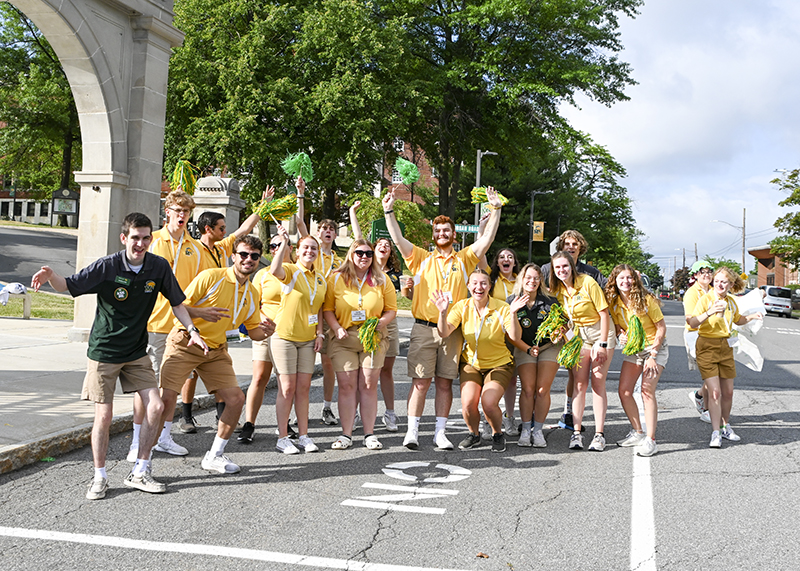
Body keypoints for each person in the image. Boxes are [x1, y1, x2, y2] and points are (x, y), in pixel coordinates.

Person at [31, 212, 208, 499]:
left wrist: (192, 330)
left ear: (151, 239)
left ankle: (140, 470)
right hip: (104, 351)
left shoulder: (158, 267)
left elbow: (177, 303)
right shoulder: (107, 266)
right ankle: (99, 476)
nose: (140, 243)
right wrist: (51, 276)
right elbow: (69, 286)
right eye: (135, 238)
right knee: (104, 415)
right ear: (124, 238)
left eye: (145, 238)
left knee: (156, 407)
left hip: (136, 351)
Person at [382, 186, 505, 450]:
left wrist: (496, 210)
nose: (441, 234)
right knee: (420, 382)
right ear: (433, 234)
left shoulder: (463, 259)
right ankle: (412, 432)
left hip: (452, 330)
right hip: (424, 328)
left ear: (453, 234)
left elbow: (487, 241)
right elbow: (398, 238)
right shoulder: (421, 258)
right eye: (437, 231)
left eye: (446, 230)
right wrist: (388, 210)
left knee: (444, 383)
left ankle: (440, 432)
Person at [158, 235, 273, 474]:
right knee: (167, 396)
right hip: (186, 341)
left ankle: (214, 455)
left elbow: (253, 332)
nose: (248, 260)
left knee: (235, 399)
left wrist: (267, 331)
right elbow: (178, 305)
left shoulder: (251, 293)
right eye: (243, 254)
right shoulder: (211, 276)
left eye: (254, 256)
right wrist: (202, 313)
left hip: (216, 350)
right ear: (233, 256)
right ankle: (161, 439)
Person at [177, 185, 274, 434]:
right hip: (194, 315)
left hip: (221, 321)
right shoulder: (191, 248)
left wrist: (262, 207)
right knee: (190, 374)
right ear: (208, 229)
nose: (225, 231)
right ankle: (186, 416)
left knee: (220, 371)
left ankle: (223, 416)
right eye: (221, 228)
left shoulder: (223, 248)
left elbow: (244, 230)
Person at [432, 269, 525, 452]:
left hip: (499, 363)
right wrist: (442, 313)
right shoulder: (462, 306)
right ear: (468, 286)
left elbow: (515, 336)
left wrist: (513, 313)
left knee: (489, 403)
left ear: (489, 286)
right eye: (474, 283)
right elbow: (444, 332)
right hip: (471, 364)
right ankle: (474, 434)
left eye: (483, 283)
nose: (479, 287)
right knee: (467, 404)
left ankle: (498, 433)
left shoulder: (502, 307)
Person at [323, 239, 398, 450]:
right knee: (347, 386)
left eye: (368, 253)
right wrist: (336, 327)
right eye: (359, 253)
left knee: (368, 385)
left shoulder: (382, 279)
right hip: (344, 338)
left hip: (372, 338)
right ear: (351, 254)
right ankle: (346, 434)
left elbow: (391, 309)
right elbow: (327, 309)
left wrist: (380, 323)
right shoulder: (336, 278)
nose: (364, 257)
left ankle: (369, 433)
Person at [687, 267, 762, 448]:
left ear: (731, 284)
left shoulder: (731, 302)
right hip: (706, 347)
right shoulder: (706, 300)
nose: (720, 284)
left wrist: (752, 316)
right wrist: (710, 312)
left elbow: (737, 319)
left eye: (725, 281)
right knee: (715, 392)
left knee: (728, 392)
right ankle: (715, 433)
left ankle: (724, 426)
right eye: (718, 281)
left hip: (726, 347)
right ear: (714, 282)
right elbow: (692, 322)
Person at [541, 230, 607, 432]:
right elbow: (540, 295)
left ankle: (569, 411)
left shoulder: (590, 274)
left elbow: (607, 295)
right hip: (557, 328)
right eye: (567, 244)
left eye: (575, 244)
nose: (571, 247)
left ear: (581, 247)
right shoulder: (548, 268)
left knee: (575, 374)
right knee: (544, 375)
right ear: (561, 247)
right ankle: (535, 415)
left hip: (582, 332)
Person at [269, 225, 327, 454]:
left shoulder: (321, 278)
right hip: (284, 336)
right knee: (287, 387)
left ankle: (303, 435)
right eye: (305, 247)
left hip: (308, 339)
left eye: (313, 248)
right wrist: (284, 242)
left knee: (304, 388)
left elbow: (321, 307)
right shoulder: (290, 270)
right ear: (298, 250)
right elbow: (274, 271)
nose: (309, 251)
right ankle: (283, 437)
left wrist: (320, 333)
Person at [549, 251, 615, 451]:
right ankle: (576, 434)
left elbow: (604, 313)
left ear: (572, 266)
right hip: (579, 336)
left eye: (565, 266)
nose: (562, 270)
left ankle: (599, 435)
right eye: (557, 267)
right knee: (579, 384)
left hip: (599, 332)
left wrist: (602, 344)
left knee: (597, 382)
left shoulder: (587, 282)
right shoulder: (557, 290)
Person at [349, 201, 404, 431]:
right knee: (362, 374)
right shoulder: (366, 266)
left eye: (387, 245)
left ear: (390, 252)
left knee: (385, 372)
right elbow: (358, 238)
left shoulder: (393, 274)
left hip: (387, 325)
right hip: (363, 325)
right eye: (380, 243)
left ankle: (390, 413)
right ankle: (353, 413)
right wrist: (352, 212)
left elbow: (399, 300)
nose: (383, 246)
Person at [238, 231, 296, 444]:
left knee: (285, 381)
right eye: (271, 246)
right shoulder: (262, 274)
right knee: (260, 377)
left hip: (290, 333)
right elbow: (253, 302)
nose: (275, 249)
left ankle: (284, 422)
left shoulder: (298, 271)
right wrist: (262, 319)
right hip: (264, 330)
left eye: (280, 245)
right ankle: (249, 423)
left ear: (290, 247)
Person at [605, 265, 667, 457]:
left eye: (629, 278)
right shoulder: (614, 303)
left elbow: (661, 328)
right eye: (621, 278)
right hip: (634, 349)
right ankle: (638, 432)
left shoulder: (646, 300)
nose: (626, 282)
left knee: (647, 391)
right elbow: (618, 326)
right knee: (624, 391)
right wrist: (620, 335)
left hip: (653, 349)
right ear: (615, 281)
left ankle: (651, 439)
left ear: (635, 280)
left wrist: (653, 355)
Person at [296, 179, 340, 426]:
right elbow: (301, 223)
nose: (327, 231)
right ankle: (296, 412)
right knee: (302, 367)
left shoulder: (338, 259)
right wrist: (301, 194)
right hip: (307, 311)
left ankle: (326, 407)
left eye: (331, 229)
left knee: (327, 364)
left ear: (334, 234)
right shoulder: (310, 250)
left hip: (327, 312)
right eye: (323, 227)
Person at [507, 264, 562, 448]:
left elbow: (563, 327)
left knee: (541, 389)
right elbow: (512, 336)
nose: (532, 281)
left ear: (541, 281)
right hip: (523, 346)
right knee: (528, 389)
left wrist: (559, 334)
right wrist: (513, 312)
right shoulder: (511, 301)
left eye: (536, 278)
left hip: (548, 346)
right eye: (528, 278)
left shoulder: (550, 301)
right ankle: (525, 429)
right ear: (522, 279)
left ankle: (538, 430)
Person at [489, 248, 521, 436]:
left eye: (510, 256)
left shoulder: (520, 281)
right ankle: (488, 418)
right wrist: (484, 229)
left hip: (514, 334)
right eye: (502, 257)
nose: (506, 259)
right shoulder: (492, 280)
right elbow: (480, 253)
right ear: (497, 262)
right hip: (494, 334)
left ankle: (509, 418)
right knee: (490, 378)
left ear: (515, 262)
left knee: (511, 380)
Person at [684, 260, 714, 423]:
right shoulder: (692, 293)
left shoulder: (713, 290)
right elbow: (690, 319)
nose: (707, 274)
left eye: (709, 271)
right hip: (696, 335)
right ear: (695, 275)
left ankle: (700, 396)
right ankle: (707, 409)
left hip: (713, 335)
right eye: (702, 272)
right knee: (710, 374)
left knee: (713, 374)